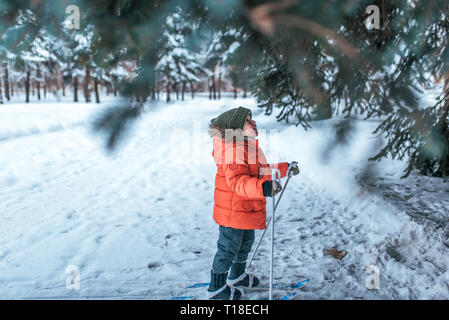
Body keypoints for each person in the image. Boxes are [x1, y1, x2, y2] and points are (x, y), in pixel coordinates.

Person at [206, 106, 299, 300]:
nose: (253, 122)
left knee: (245, 242)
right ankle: (216, 288)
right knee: (228, 248)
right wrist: (264, 188)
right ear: (237, 128)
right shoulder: (233, 150)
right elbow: (238, 182)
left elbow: (261, 171)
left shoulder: (246, 146)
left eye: (251, 119)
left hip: (244, 208)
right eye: (248, 120)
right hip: (233, 210)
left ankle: (237, 275)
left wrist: (284, 169)